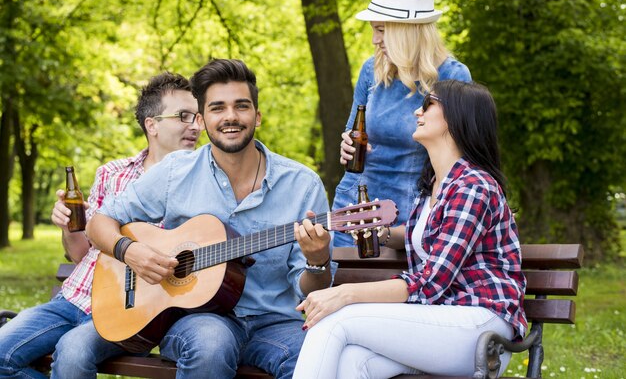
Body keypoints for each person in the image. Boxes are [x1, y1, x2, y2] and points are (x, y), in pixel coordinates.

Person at [86, 58, 333, 379]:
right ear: (202, 120)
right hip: (196, 319)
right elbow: (99, 222)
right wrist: (129, 251)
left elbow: (311, 289)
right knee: (211, 346)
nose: (230, 116)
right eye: (218, 108)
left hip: (275, 322)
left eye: (241, 106)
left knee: (316, 356)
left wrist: (317, 260)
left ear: (257, 116)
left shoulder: (302, 184)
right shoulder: (176, 172)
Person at [293, 80, 527, 378]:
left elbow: (432, 281)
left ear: (456, 117)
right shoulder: (434, 186)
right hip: (443, 317)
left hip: (481, 326)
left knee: (333, 320)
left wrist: (346, 293)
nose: (418, 111)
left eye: (428, 103)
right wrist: (385, 234)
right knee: (352, 361)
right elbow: (433, 236)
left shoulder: (473, 187)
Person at [0, 72, 201, 379]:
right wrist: (68, 226)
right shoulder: (113, 173)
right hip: (73, 298)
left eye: (197, 117)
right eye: (184, 116)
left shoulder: (203, 183)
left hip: (130, 312)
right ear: (152, 125)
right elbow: (82, 253)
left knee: (72, 354)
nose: (196, 126)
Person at [333, 0, 472, 247]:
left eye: (382, 30)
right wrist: (347, 144)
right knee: (339, 285)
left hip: (409, 213)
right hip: (355, 206)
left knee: (395, 288)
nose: (375, 39)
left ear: (407, 31)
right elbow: (353, 131)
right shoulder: (371, 70)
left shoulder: (452, 76)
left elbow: (459, 163)